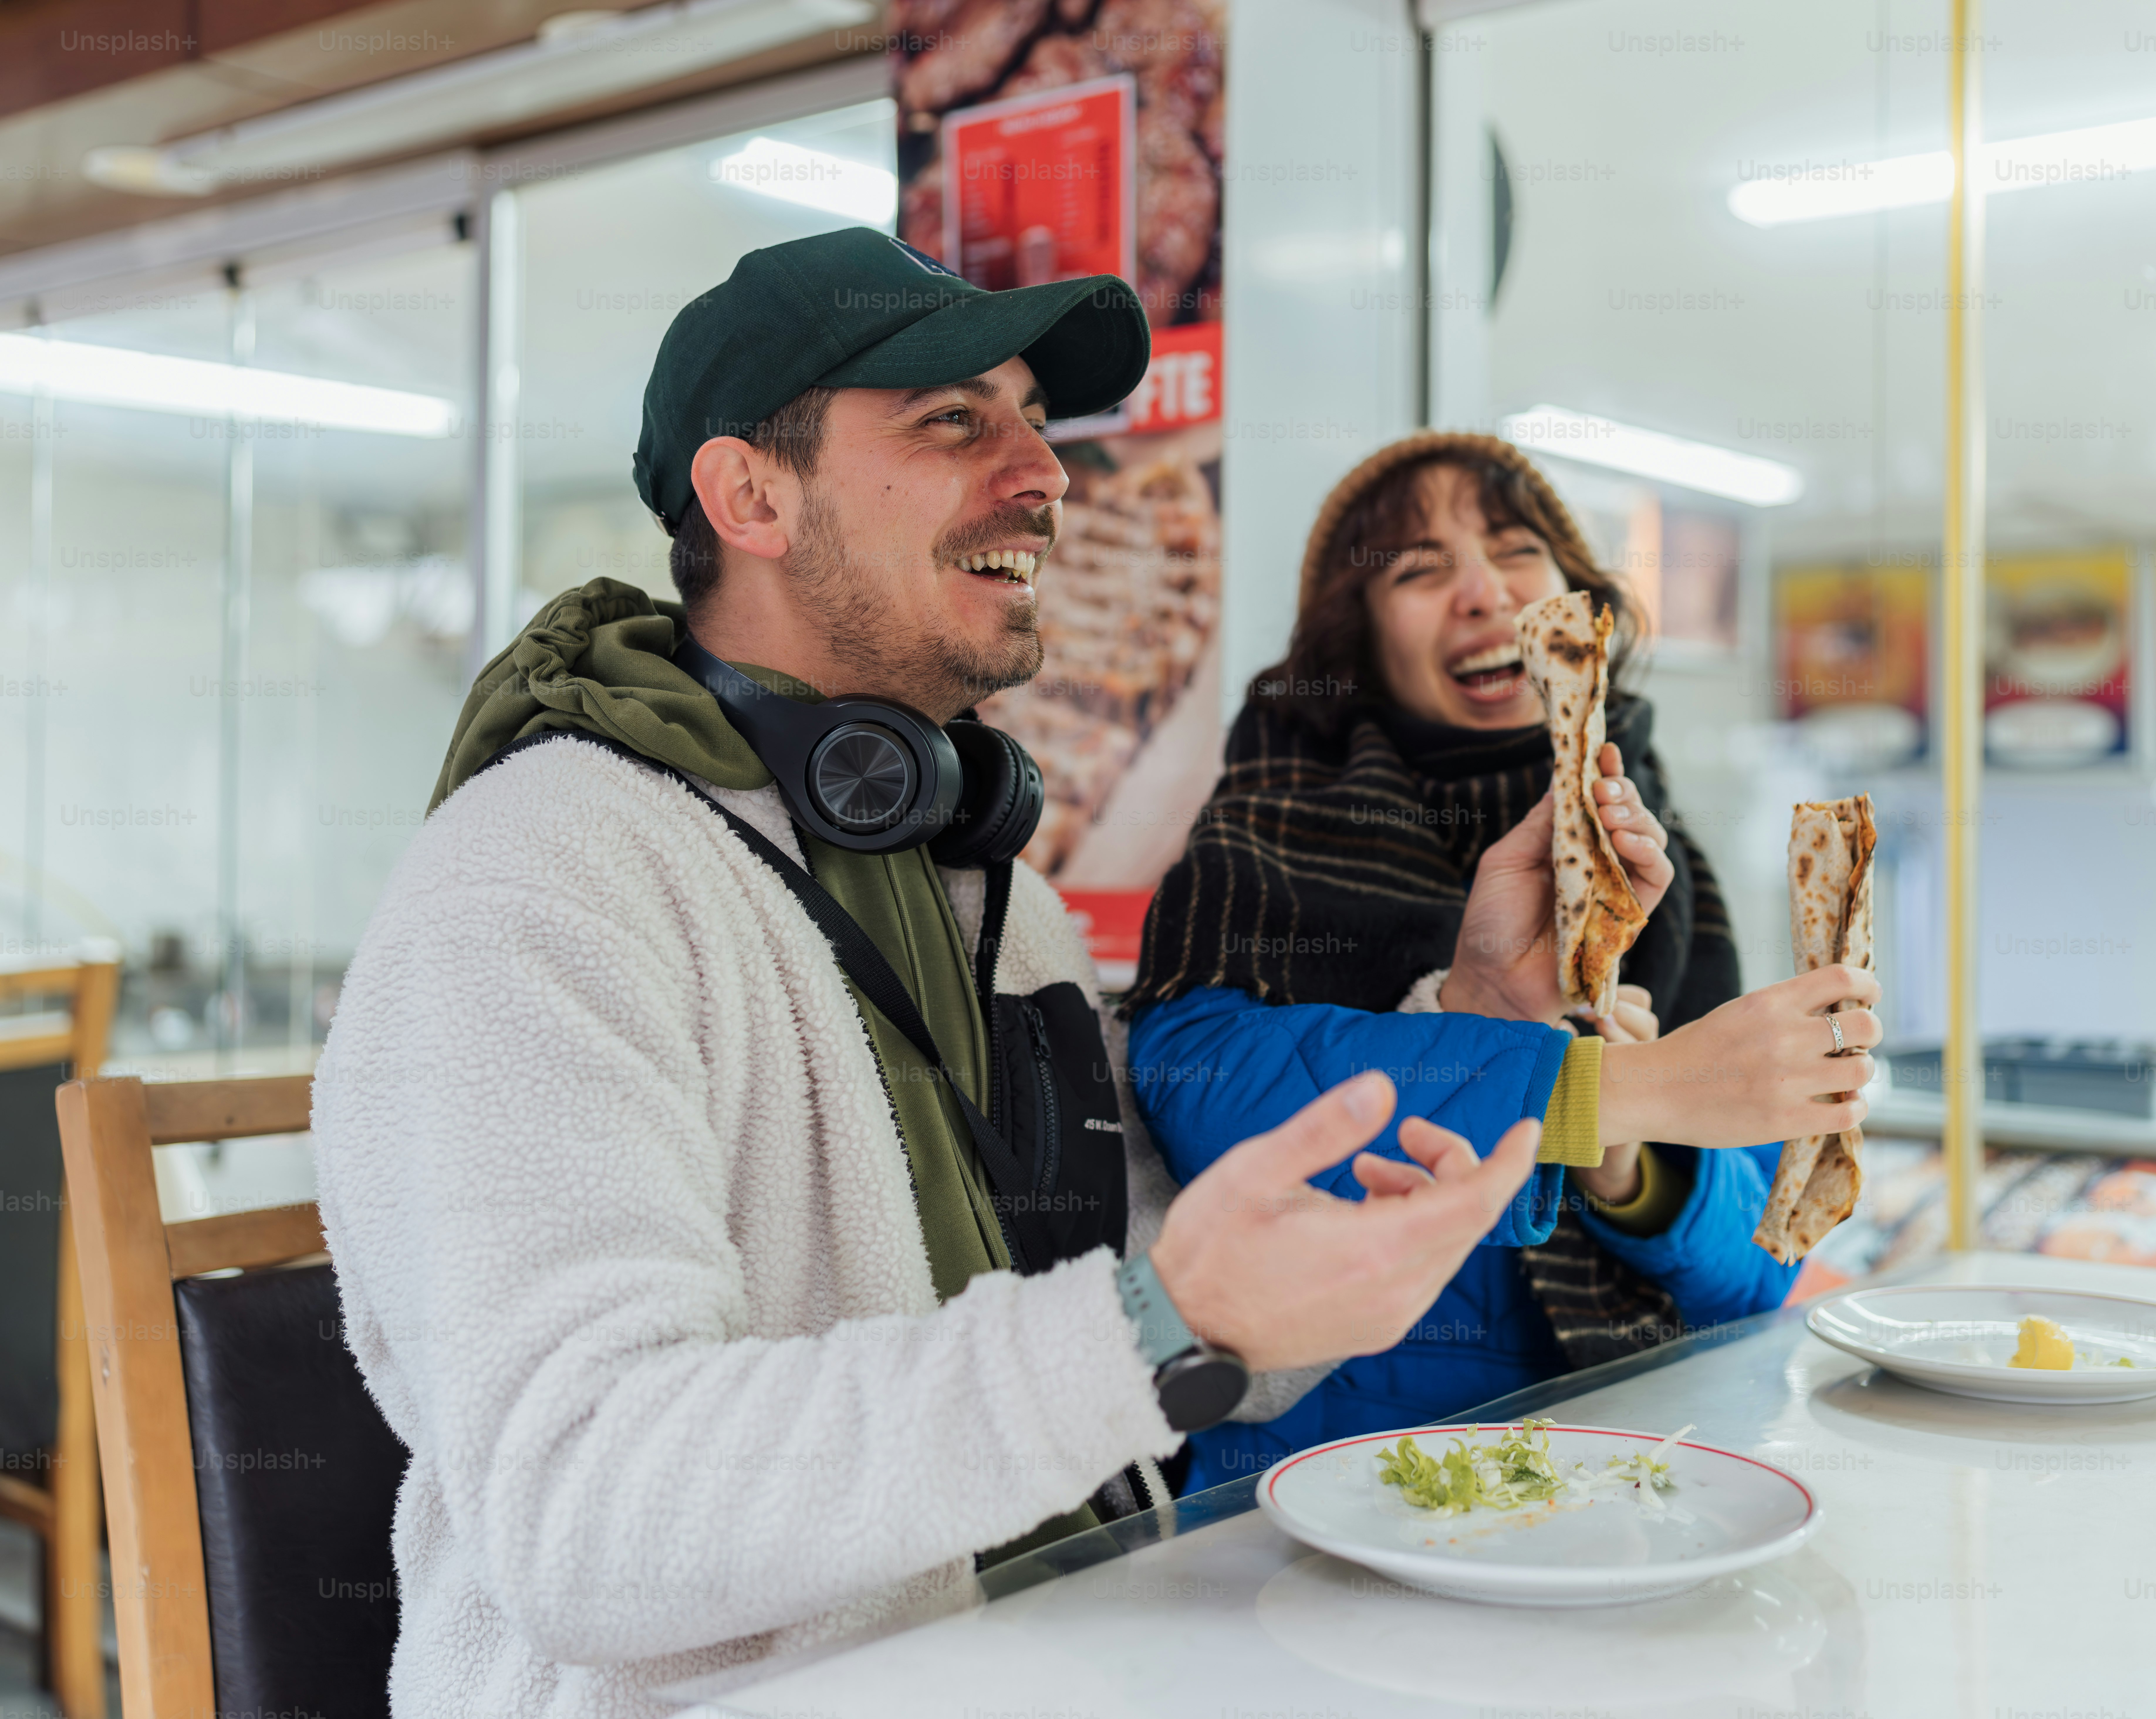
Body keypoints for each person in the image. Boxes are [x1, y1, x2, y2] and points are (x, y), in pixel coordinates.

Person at [312, 231, 1549, 1717]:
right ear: (749, 496)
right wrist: (1158, 1326)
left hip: (1061, 1657)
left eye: (1033, 419)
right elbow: (582, 1507)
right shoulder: (538, 878)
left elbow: (1140, 1315)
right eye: (955, 419)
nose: (1045, 472)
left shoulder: (989, 893)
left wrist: (1471, 1030)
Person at [1124, 431, 1880, 1488]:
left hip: (1615, 1479)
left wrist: (1626, 1161)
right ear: (1359, 639)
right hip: (1322, 1496)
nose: (1482, 592)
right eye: (1420, 571)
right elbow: (1200, 1102)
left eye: (1517, 550)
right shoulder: (1261, 833)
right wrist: (1596, 1086)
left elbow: (1759, 1268)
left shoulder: (1661, 867)